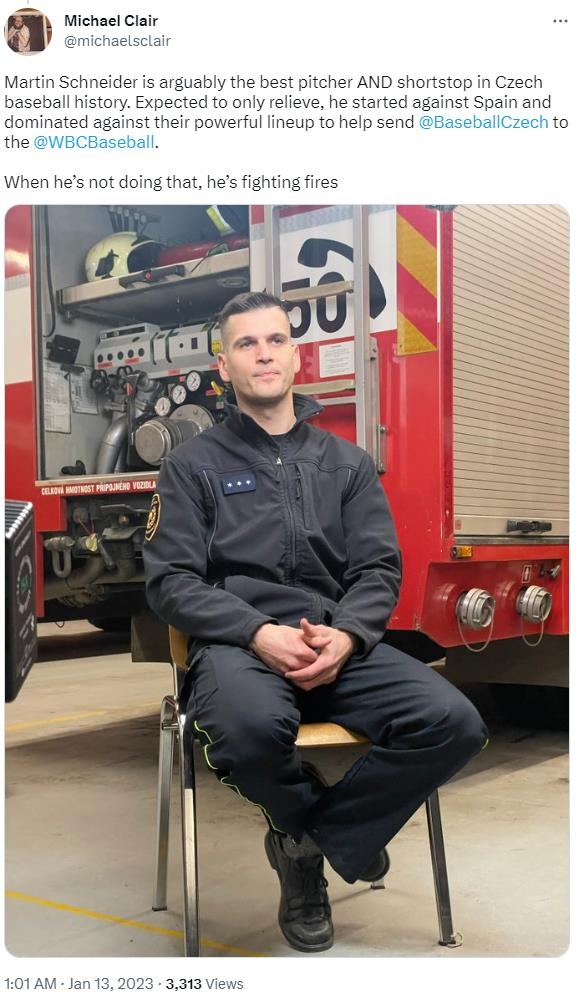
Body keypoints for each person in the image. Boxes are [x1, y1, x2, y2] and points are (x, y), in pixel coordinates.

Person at [143, 291, 488, 953]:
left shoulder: (347, 464)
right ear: (224, 365)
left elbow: (378, 569)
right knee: (245, 734)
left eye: (274, 340)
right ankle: (315, 845)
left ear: (296, 357)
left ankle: (313, 836)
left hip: (335, 641)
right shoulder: (191, 467)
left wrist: (350, 633)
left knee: (455, 722)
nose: (262, 353)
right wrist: (256, 631)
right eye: (246, 344)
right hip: (239, 645)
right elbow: (171, 581)